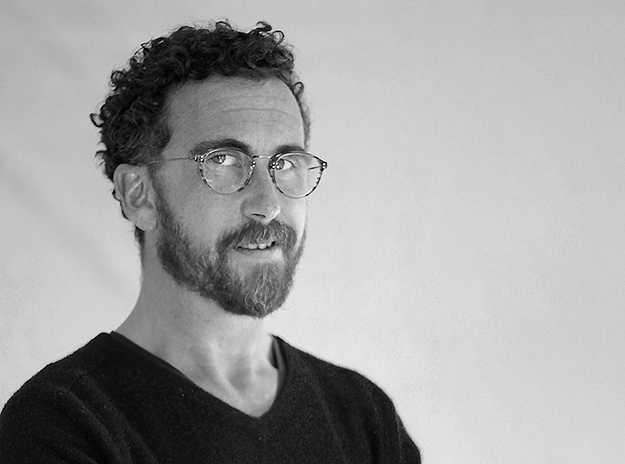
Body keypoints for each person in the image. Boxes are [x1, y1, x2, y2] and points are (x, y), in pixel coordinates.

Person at [0, 21, 420, 463]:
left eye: (285, 163)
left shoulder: (362, 416)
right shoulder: (62, 425)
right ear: (139, 195)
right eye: (223, 161)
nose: (268, 204)